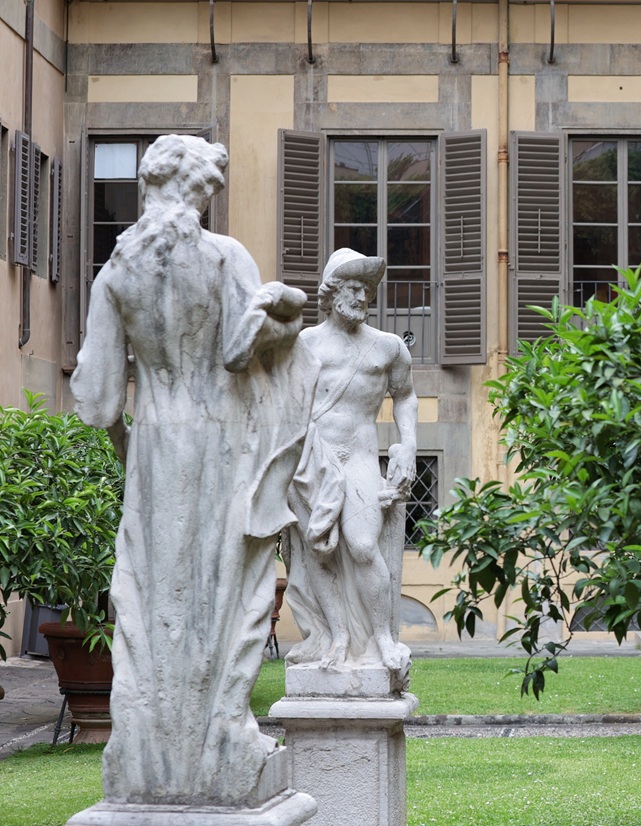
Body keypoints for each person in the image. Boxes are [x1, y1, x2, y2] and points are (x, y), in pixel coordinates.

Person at [71, 135, 315, 806]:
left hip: (153, 448)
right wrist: (284, 321)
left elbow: (93, 402)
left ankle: (148, 750)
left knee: (152, 596)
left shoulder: (114, 274)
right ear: (186, 187)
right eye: (206, 190)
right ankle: (220, 737)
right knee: (226, 588)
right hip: (222, 440)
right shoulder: (223, 256)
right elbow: (244, 350)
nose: (207, 202)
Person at [283, 248, 418, 683]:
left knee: (362, 546)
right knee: (317, 551)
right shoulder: (305, 344)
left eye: (368, 290)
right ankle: (336, 637)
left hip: (360, 456)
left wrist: (408, 447)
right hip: (312, 461)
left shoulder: (387, 347)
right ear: (333, 293)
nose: (363, 297)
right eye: (355, 288)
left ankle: (382, 639)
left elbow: (406, 396)